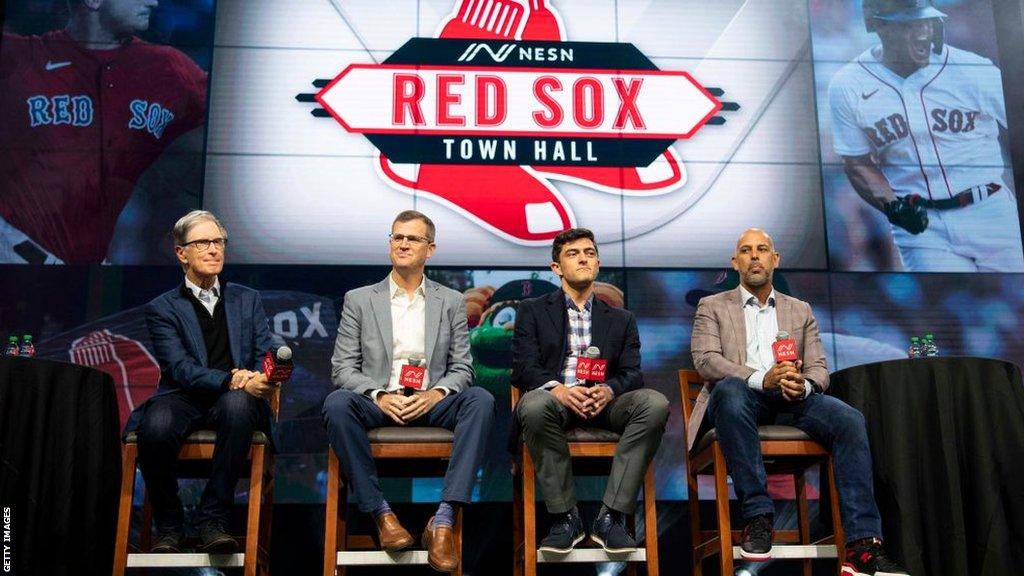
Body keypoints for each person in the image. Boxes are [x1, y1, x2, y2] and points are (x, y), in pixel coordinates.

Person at [690, 228, 908, 576]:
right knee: (729, 390)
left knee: (849, 418)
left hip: (792, 401)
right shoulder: (712, 306)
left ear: (775, 259)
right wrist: (763, 378)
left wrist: (801, 385)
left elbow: (820, 368)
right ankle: (758, 518)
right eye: (746, 250)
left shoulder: (800, 309)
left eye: (763, 249)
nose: (755, 256)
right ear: (736, 262)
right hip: (742, 397)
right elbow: (706, 361)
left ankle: (862, 547)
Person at [322, 210, 494, 572]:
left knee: (480, 399)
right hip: (378, 401)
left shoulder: (449, 300)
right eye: (396, 237)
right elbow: (342, 368)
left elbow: (464, 368)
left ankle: (444, 519)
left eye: (412, 238)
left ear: (429, 249)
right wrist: (380, 396)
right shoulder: (359, 299)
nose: (402, 244)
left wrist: (436, 394)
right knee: (337, 404)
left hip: (430, 402)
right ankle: (382, 515)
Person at [0, 0, 208, 264]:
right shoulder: (19, 57)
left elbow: (234, 122)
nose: (154, 2)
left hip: (89, 269)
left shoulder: (169, 69)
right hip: (11, 252)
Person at [828, 0, 1023, 272]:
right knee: (947, 309)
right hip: (921, 226)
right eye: (909, 24)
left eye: (926, 21)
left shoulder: (974, 69)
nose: (923, 32)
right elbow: (857, 163)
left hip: (989, 210)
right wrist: (892, 207)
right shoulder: (848, 84)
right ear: (877, 26)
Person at [510, 227, 669, 554]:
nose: (583, 258)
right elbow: (524, 368)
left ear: (597, 264)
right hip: (556, 402)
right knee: (534, 404)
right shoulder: (533, 311)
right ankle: (565, 517)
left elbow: (632, 373)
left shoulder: (622, 319)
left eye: (589, 253)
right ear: (556, 268)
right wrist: (560, 391)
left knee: (654, 403)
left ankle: (610, 516)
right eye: (573, 254)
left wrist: (609, 390)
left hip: (607, 405)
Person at [128, 210, 278, 553]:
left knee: (239, 406)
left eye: (219, 242)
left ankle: (214, 518)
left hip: (235, 397)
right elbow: (179, 368)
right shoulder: (162, 308)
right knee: (156, 425)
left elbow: (262, 351)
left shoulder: (246, 298)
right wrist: (231, 378)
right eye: (204, 243)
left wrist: (259, 375)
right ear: (181, 253)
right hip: (183, 395)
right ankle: (169, 523)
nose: (214, 250)